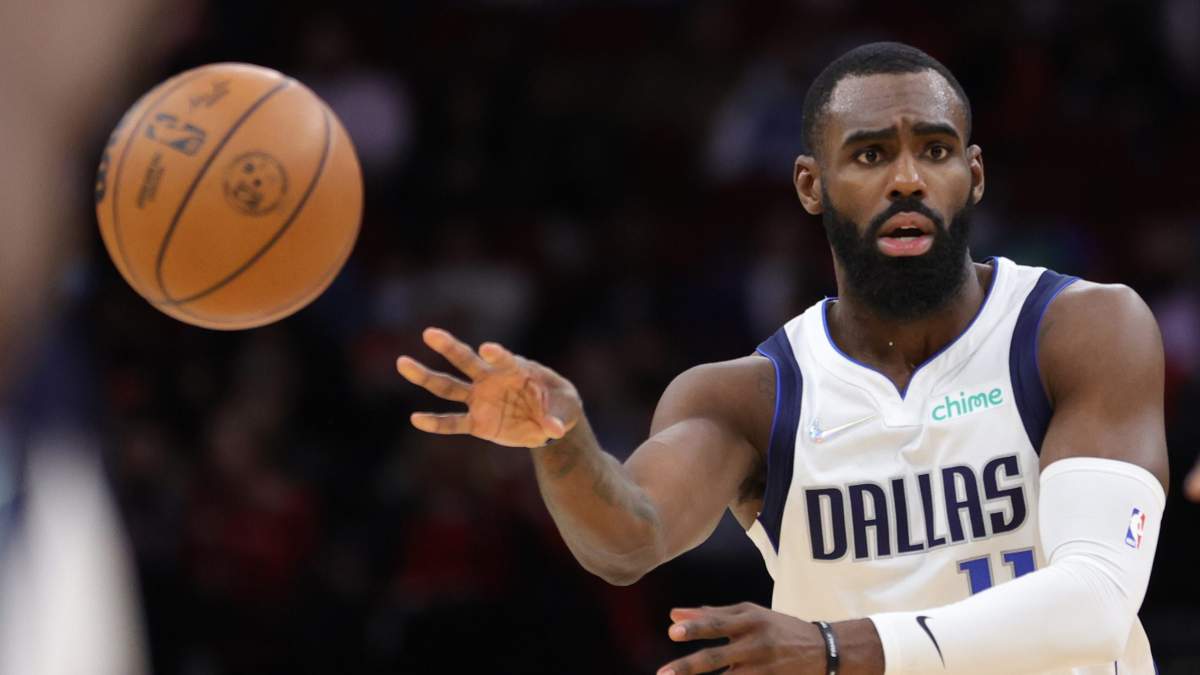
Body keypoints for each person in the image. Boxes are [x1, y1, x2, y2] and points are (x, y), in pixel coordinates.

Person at [397, 42, 1168, 675]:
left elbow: (1097, 600)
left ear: (974, 175)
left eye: (934, 150)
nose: (906, 178)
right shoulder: (748, 397)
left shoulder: (1079, 330)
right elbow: (628, 540)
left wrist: (836, 647)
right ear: (810, 184)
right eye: (870, 154)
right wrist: (564, 444)